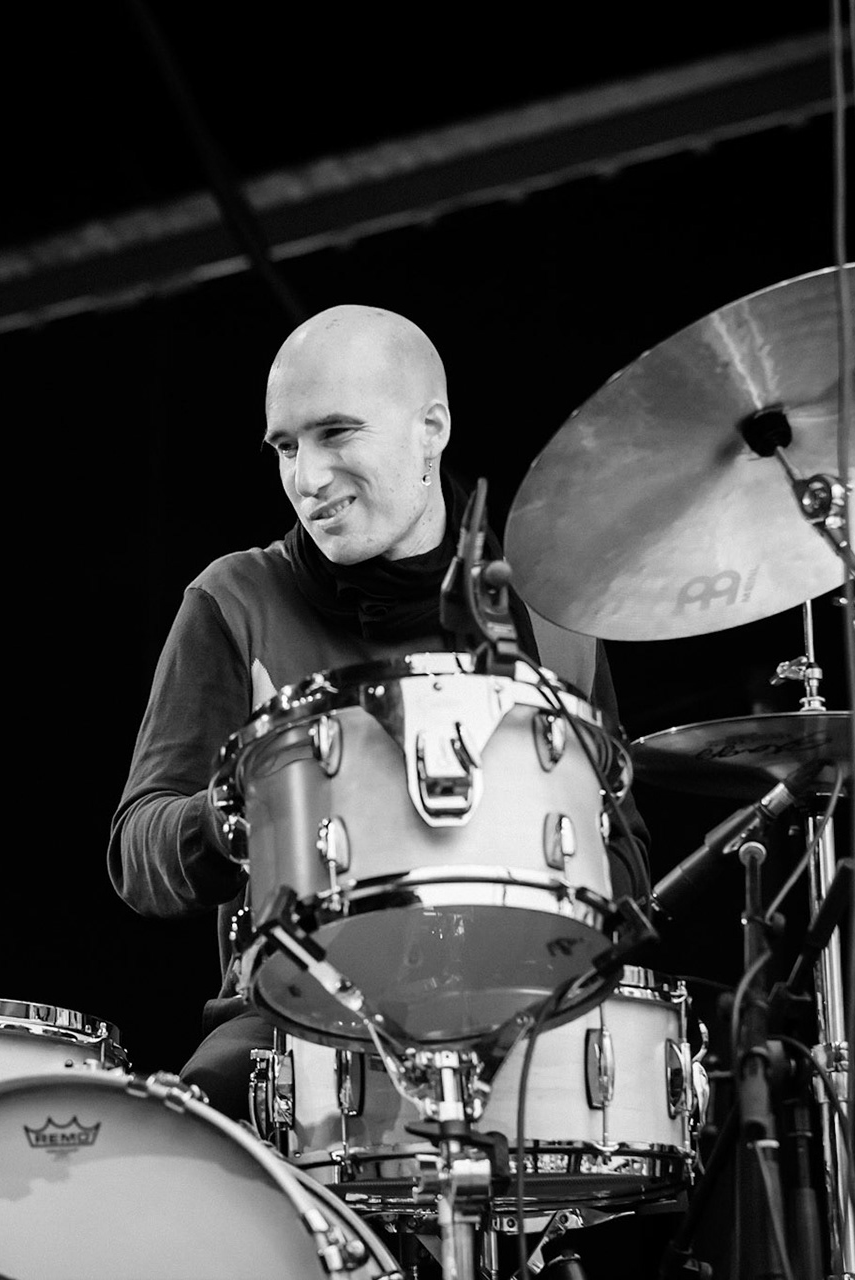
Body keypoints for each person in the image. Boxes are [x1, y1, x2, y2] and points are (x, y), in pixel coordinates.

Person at [107, 303, 650, 1121]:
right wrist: (235, 810)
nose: (306, 477)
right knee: (176, 1140)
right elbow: (134, 850)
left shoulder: (551, 617)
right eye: (286, 447)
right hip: (292, 1023)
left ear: (431, 428)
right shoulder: (234, 599)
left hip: (523, 1008)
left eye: (335, 434)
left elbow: (628, 860)